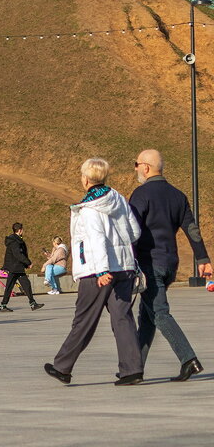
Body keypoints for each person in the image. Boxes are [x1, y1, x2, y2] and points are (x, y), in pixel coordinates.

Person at [45, 158, 144, 386]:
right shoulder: (119, 199)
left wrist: (101, 270)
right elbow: (134, 232)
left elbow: (97, 240)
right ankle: (132, 369)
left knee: (84, 318)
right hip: (124, 267)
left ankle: (62, 367)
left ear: (86, 179)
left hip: (96, 271)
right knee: (122, 318)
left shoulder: (89, 208)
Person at [129, 149, 213, 381]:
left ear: (145, 167)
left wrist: (126, 261)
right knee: (147, 317)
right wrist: (203, 259)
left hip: (148, 264)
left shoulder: (141, 194)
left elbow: (131, 231)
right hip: (169, 265)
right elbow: (191, 229)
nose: (135, 169)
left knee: (159, 313)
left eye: (136, 164)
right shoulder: (178, 195)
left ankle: (189, 360)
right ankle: (134, 368)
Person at [0, 223, 44, 312]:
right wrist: (28, 262)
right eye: (22, 229)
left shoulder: (16, 240)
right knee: (10, 286)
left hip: (17, 267)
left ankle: (32, 303)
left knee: (24, 284)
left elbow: (20, 253)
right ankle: (3, 305)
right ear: (19, 230)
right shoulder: (14, 241)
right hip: (14, 267)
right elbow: (18, 254)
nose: (23, 231)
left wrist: (25, 264)